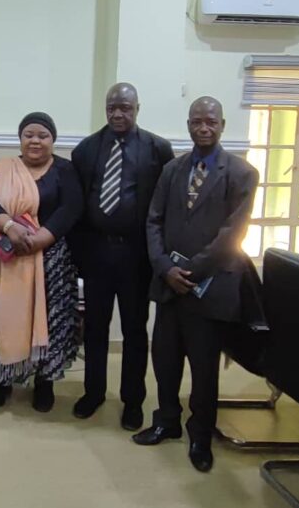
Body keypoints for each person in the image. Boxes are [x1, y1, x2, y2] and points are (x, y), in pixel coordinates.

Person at [132, 96, 259, 473]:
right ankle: (166, 421)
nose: (204, 128)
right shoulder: (172, 169)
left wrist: (194, 271)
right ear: (189, 124)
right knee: (165, 360)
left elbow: (232, 233)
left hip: (211, 286)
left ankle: (200, 435)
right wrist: (164, 267)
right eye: (197, 121)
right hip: (169, 286)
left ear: (222, 126)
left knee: (204, 369)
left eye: (211, 122)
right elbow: (153, 221)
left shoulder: (241, 173)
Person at [69, 82, 174, 430]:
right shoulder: (85, 150)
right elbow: (78, 208)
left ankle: (133, 400)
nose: (118, 113)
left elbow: (165, 207)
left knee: (134, 330)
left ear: (137, 109)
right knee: (95, 328)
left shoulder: (158, 149)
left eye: (125, 107)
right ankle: (94, 393)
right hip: (97, 253)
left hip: (136, 256)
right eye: (112, 107)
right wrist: (79, 257)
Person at [0, 112, 83, 412]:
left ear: (53, 140)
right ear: (20, 138)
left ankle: (44, 381)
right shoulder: (4, 167)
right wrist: (9, 226)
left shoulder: (65, 170)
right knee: (4, 316)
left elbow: (71, 207)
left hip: (50, 261)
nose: (35, 141)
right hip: (7, 257)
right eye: (29, 135)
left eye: (43, 135)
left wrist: (41, 239)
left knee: (47, 319)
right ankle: (2, 377)